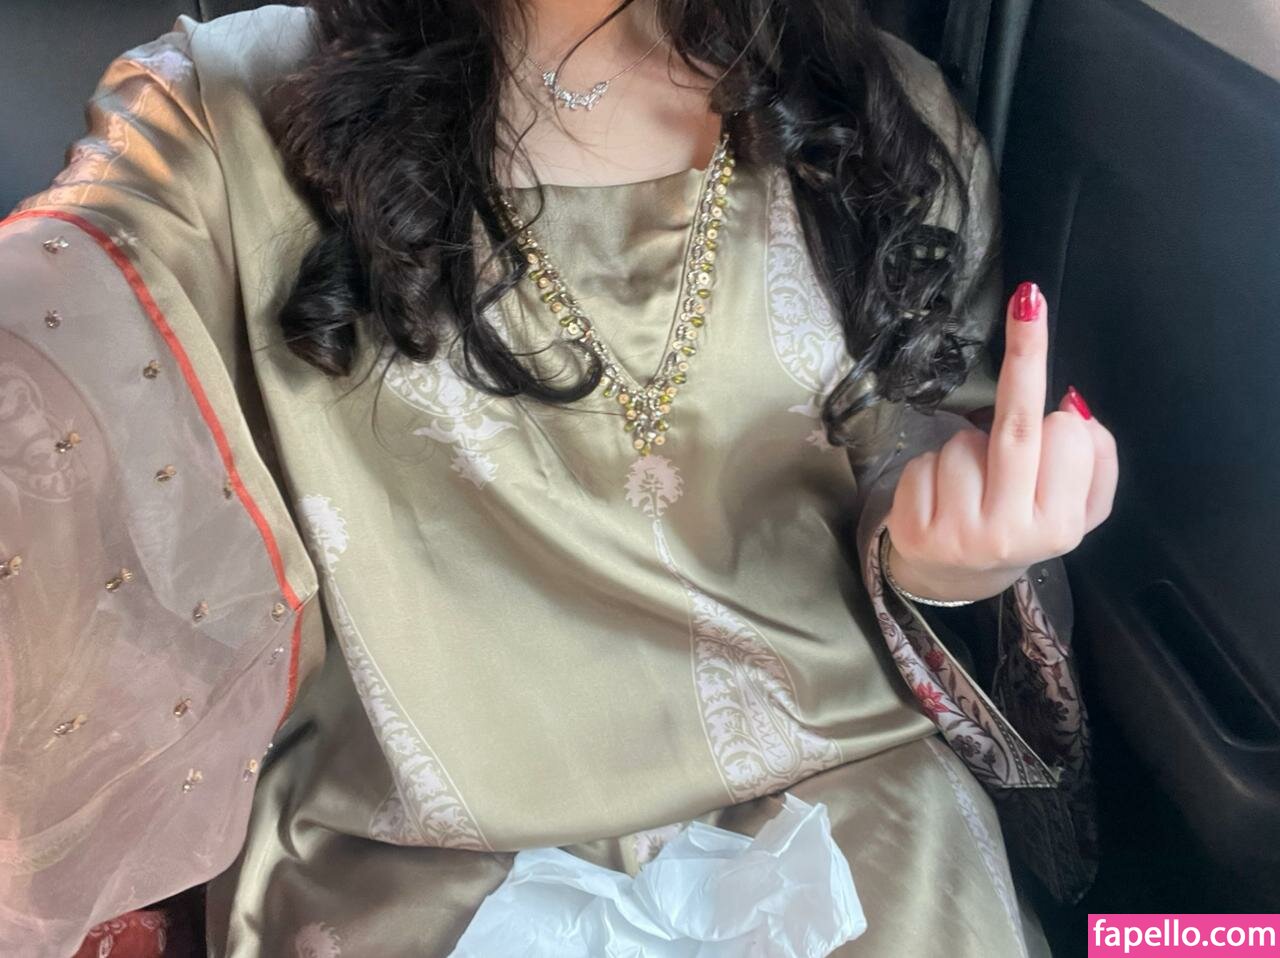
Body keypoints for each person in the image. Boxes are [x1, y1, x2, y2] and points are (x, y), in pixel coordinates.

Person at [0, 1, 1118, 955]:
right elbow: (47, 348)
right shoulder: (220, 118)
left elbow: (914, 433)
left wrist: (952, 553)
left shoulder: (885, 112)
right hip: (412, 851)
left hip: (848, 805)